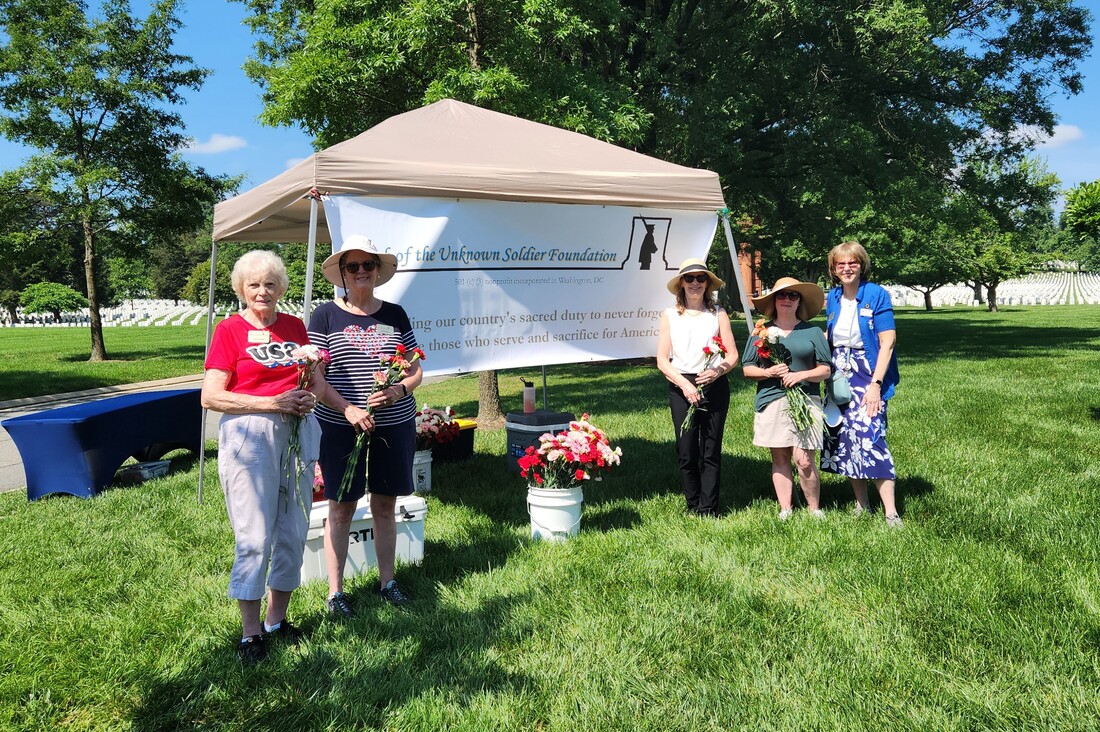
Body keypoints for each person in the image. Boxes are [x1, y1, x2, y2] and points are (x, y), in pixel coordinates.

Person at [201, 250, 320, 664]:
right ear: (241, 289)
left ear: (281, 288)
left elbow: (317, 383)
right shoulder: (229, 330)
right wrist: (273, 403)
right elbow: (211, 396)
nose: (262, 291)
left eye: (270, 284)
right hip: (251, 434)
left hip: (298, 430)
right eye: (254, 284)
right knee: (254, 535)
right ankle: (250, 632)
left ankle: (277, 620)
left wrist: (308, 395)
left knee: (293, 528)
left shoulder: (294, 326)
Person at [308, 235, 423, 614]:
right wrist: (347, 410)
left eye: (367, 265)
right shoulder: (325, 315)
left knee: (386, 504)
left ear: (377, 270)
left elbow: (415, 369)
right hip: (342, 424)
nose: (361, 272)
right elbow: (315, 377)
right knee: (341, 505)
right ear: (341, 273)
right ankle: (336, 592)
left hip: (394, 423)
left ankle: (387, 582)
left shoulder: (395, 314)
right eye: (352, 266)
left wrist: (398, 392)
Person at [820, 241, 902, 527]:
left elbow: (887, 341)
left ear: (861, 264)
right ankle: (861, 504)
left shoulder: (876, 294)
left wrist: (876, 384)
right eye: (840, 264)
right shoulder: (832, 297)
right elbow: (830, 335)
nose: (846, 268)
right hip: (838, 375)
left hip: (867, 373)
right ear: (833, 269)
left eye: (852, 263)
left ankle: (891, 511)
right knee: (845, 438)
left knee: (871, 436)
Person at [741, 277, 831, 520]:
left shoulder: (812, 331)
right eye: (782, 295)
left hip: (807, 398)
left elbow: (825, 369)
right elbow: (747, 368)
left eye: (793, 296)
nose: (787, 300)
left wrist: (802, 374)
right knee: (780, 457)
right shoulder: (761, 331)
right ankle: (786, 509)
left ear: (799, 301)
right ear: (774, 300)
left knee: (804, 459)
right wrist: (768, 371)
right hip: (772, 399)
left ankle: (814, 509)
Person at [656, 258, 739, 517]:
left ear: (708, 283)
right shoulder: (670, 315)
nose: (695, 283)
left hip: (713, 383)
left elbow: (732, 355)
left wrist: (718, 371)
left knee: (711, 449)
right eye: (689, 278)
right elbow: (662, 360)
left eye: (700, 279)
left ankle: (708, 507)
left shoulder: (718, 313)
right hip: (681, 385)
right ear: (681, 283)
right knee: (686, 449)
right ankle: (692, 504)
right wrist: (684, 384)